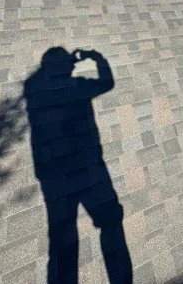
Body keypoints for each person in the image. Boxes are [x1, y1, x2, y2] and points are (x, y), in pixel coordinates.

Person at [24, 47, 132, 284]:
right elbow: (108, 82)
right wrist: (97, 57)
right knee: (111, 223)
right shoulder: (79, 87)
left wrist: (66, 62)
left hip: (52, 173)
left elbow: (39, 76)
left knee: (62, 238)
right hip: (89, 167)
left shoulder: (33, 89)